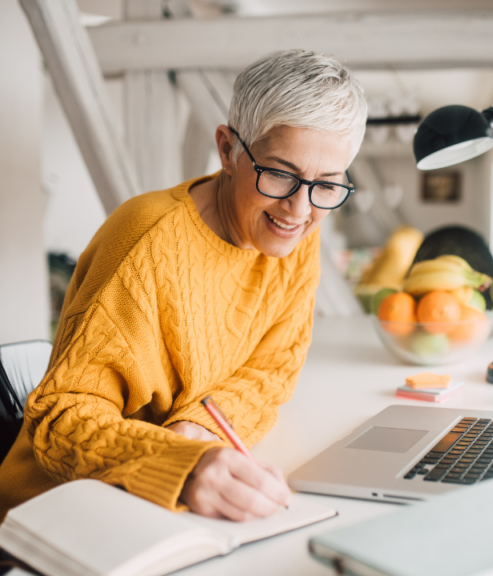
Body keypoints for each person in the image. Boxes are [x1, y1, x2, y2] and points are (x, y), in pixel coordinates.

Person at [0, 50, 367, 522]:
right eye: (279, 173)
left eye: (328, 184)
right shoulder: (145, 243)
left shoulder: (296, 230)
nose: (299, 209)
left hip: (163, 509)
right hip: (54, 513)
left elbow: (272, 369)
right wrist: (183, 465)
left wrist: (198, 427)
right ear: (227, 149)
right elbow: (61, 419)